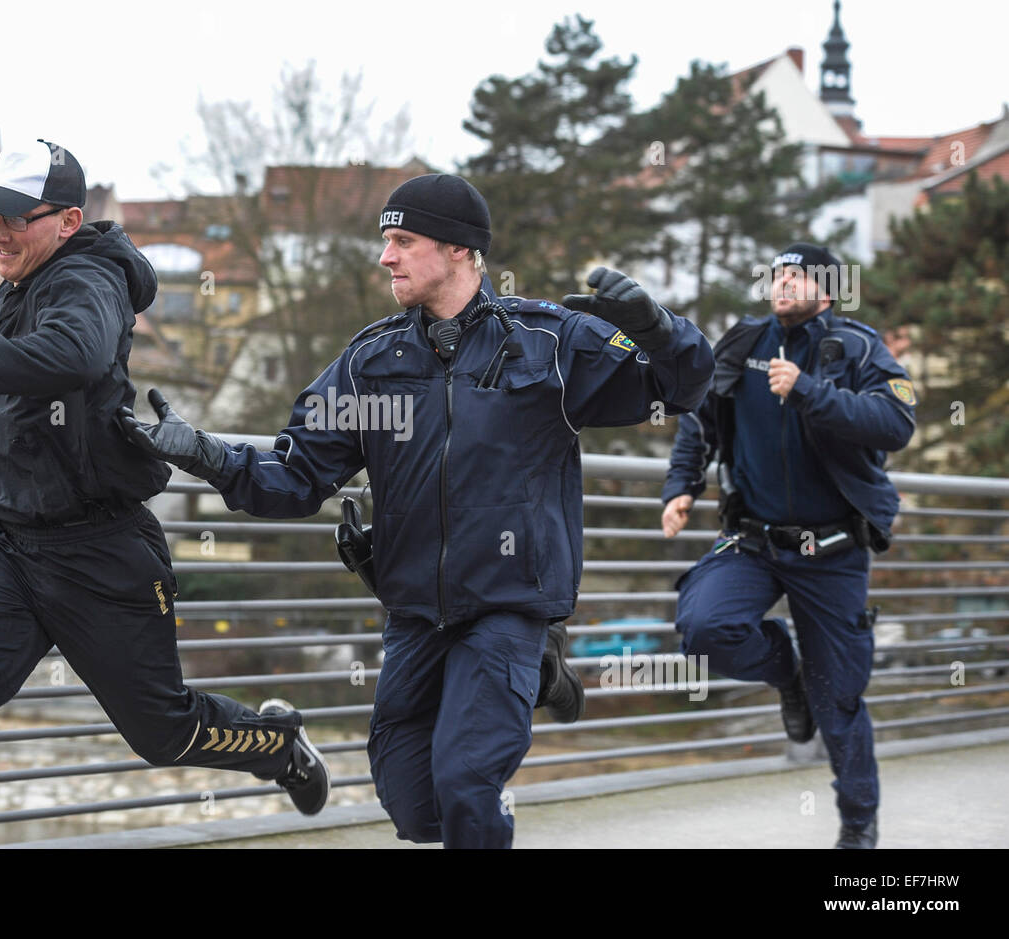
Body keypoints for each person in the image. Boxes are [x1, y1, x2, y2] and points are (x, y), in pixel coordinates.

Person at [119, 174, 714, 848]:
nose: (386, 257)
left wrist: (660, 331)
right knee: (412, 801)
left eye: (403, 240)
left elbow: (684, 387)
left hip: (508, 604)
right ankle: (542, 676)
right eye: (385, 241)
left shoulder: (549, 344)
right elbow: (293, 477)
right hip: (415, 614)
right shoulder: (373, 362)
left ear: (460, 249)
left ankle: (530, 661)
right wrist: (202, 453)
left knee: (466, 783)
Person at [0, 140, 328, 849]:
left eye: (16, 216)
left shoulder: (91, 279)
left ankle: (277, 746)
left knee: (166, 730)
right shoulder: (23, 281)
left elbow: (72, 353)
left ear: (70, 219)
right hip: (14, 552)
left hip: (103, 553)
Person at [661, 242, 917, 850]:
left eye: (797, 276)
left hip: (831, 553)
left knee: (841, 700)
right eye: (776, 274)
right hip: (753, 542)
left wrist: (809, 392)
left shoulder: (856, 348)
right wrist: (682, 486)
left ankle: (858, 826)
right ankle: (788, 673)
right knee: (704, 627)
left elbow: (897, 424)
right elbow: (698, 420)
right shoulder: (742, 345)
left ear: (826, 291)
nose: (782, 283)